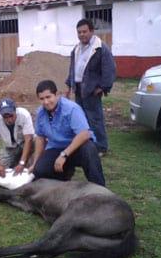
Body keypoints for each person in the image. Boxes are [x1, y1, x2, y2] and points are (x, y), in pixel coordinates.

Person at [29, 80, 106, 186]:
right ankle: (64, 177)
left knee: (89, 149)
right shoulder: (40, 113)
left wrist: (64, 155)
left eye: (48, 97)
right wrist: (35, 163)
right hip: (56, 147)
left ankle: (100, 188)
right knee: (39, 171)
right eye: (42, 99)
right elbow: (40, 138)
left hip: (77, 148)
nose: (46, 102)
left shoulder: (71, 109)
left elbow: (85, 134)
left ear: (57, 95)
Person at [65, 19, 116, 156]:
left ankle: (101, 147)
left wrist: (103, 87)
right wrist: (69, 85)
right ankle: (86, 143)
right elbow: (73, 68)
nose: (82, 35)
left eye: (84, 31)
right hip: (78, 88)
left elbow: (109, 69)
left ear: (92, 31)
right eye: (79, 32)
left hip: (92, 90)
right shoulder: (76, 49)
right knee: (81, 118)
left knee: (95, 118)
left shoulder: (100, 48)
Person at [0, 98, 34, 177]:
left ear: (15, 110)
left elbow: (28, 139)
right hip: (10, 148)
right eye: (5, 117)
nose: (9, 119)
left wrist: (22, 162)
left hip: (27, 144)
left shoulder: (24, 115)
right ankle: (17, 161)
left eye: (11, 115)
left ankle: (23, 160)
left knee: (32, 168)